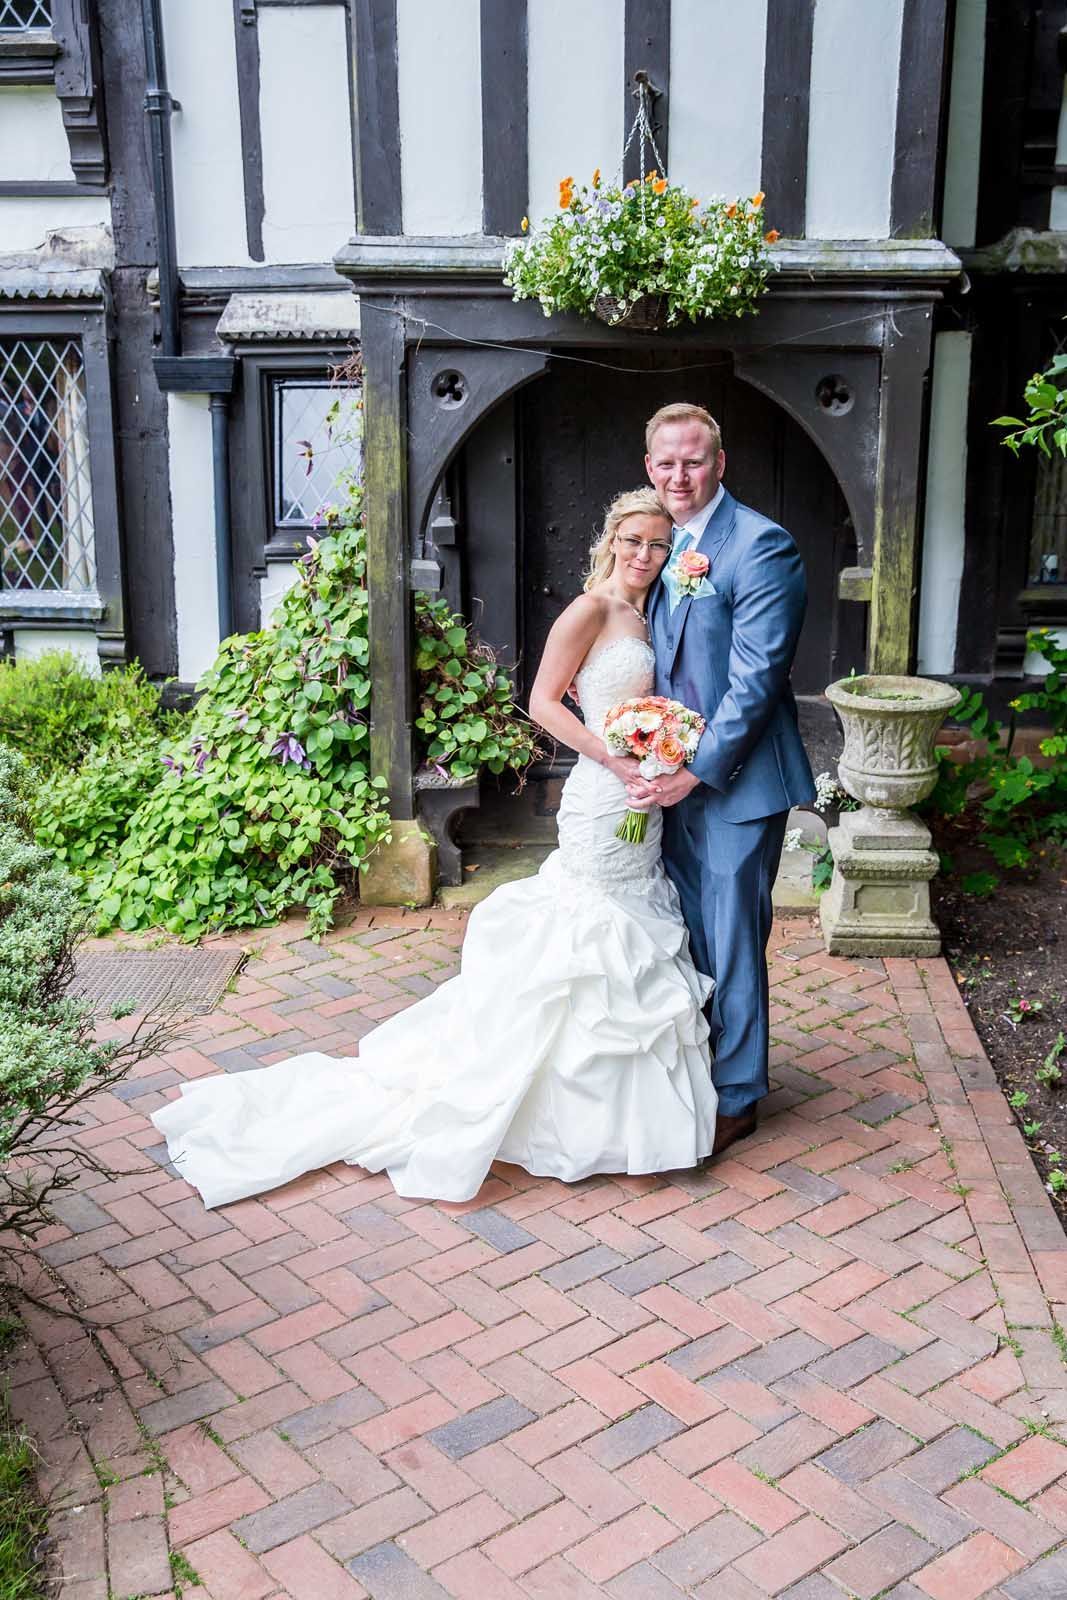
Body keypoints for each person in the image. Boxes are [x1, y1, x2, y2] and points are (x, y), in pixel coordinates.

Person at [150, 488, 718, 1209]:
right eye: (634, 541)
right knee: (589, 931)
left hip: (644, 793)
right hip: (605, 789)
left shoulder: (652, 610)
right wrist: (614, 759)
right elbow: (543, 701)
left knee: (629, 920)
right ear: (610, 540)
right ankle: (549, 1108)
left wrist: (661, 753)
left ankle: (618, 1120)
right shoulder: (589, 610)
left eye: (659, 545)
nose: (645, 555)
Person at [630, 403, 815, 1158]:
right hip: (667, 774)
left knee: (735, 936)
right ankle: (699, 1065)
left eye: (694, 461)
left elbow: (755, 682)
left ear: (720, 463)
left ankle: (737, 1095)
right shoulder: (654, 544)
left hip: (736, 783)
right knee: (689, 930)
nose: (680, 475)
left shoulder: (760, 545)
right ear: (650, 468)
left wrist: (694, 771)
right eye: (666, 462)